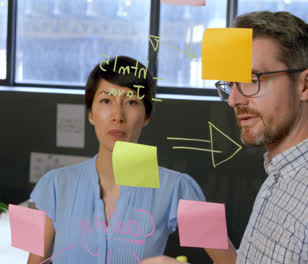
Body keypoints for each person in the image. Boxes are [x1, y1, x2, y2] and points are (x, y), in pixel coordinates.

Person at [27, 56, 237, 264]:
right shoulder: (52, 185)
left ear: (146, 116)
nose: (118, 115)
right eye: (106, 101)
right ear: (91, 113)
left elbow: (233, 261)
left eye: (131, 102)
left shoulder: (178, 186)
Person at [218, 11, 308, 263]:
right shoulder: (279, 174)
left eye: (251, 79)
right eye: (230, 84)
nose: (233, 99)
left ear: (304, 85)